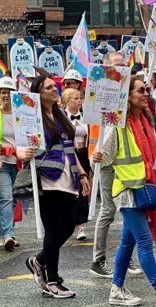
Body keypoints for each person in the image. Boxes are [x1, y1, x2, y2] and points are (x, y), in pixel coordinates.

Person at [93, 76, 156, 306]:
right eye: (140, 90)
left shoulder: (146, 120)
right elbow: (105, 158)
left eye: (147, 89)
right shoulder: (117, 124)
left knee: (128, 242)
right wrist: (97, 156)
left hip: (143, 188)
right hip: (126, 189)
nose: (145, 94)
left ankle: (116, 289)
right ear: (128, 96)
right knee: (144, 240)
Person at [25, 74, 91, 299]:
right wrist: (21, 152)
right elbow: (22, 144)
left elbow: (70, 146)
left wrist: (82, 174)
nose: (55, 90)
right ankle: (52, 280)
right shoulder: (31, 116)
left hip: (68, 177)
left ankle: (39, 261)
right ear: (39, 93)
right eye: (49, 88)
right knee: (53, 229)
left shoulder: (60, 114)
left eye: (55, 86)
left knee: (68, 225)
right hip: (47, 177)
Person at [91, 51, 143, 278]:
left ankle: (126, 258)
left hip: (124, 160)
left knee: (128, 208)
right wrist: (94, 155)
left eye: (125, 66)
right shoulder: (100, 93)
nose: (122, 70)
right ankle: (98, 259)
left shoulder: (129, 93)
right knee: (108, 209)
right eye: (117, 66)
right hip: (106, 160)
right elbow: (95, 130)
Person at [0, 76, 23, 251]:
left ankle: (6, 234)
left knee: (13, 198)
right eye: (3, 92)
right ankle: (8, 235)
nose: (6, 95)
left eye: (10, 92)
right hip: (1, 162)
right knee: (5, 197)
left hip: (18, 162)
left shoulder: (21, 112)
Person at [62, 87, 90, 241]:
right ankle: (76, 224)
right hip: (70, 154)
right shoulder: (62, 117)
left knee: (84, 189)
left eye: (80, 98)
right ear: (67, 100)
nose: (79, 101)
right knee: (73, 188)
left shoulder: (85, 117)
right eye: (75, 99)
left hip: (84, 153)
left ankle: (80, 221)